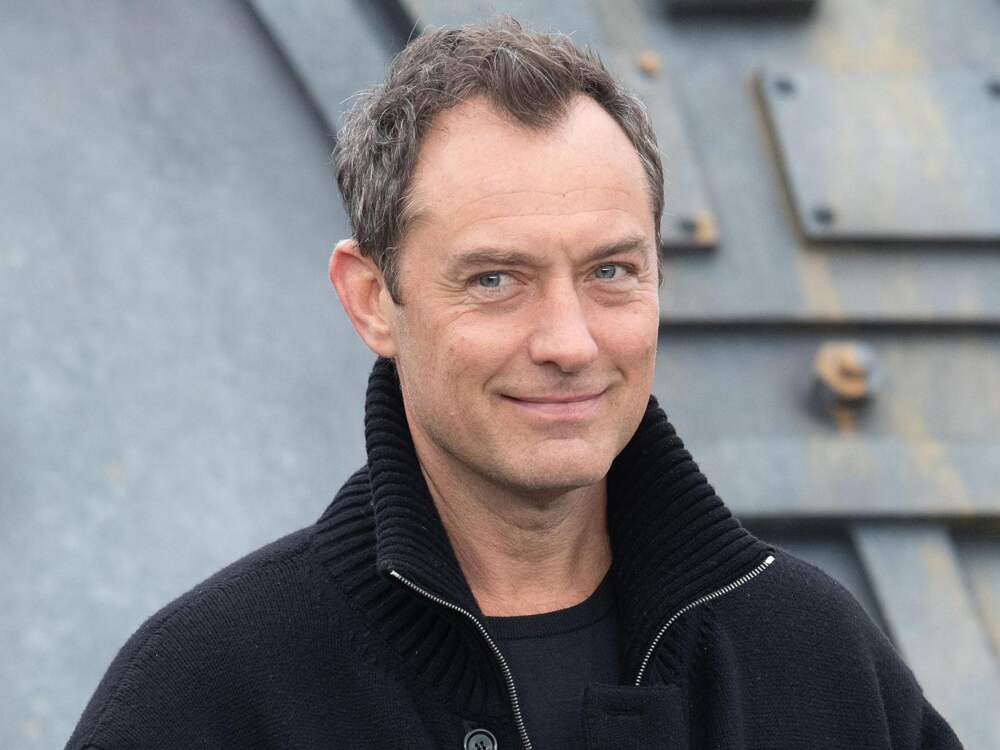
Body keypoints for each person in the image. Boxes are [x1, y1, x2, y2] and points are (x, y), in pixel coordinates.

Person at [65, 17, 962, 750]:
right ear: (373, 300)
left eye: (611, 271)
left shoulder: (821, 661)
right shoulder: (209, 694)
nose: (569, 342)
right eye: (495, 279)